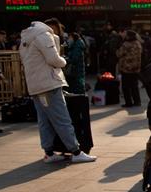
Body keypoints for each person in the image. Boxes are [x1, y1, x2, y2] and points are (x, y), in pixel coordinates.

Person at [19, 18, 96, 163]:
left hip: (35, 85)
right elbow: (54, 59)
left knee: (44, 120)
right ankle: (76, 151)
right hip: (49, 84)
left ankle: (49, 152)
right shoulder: (43, 35)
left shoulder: (26, 39)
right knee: (62, 118)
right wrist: (64, 61)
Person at [117, 30, 143, 107]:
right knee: (134, 86)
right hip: (136, 68)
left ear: (128, 36)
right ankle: (137, 101)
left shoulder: (126, 44)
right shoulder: (138, 44)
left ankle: (128, 102)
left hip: (126, 68)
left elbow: (119, 54)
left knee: (126, 87)